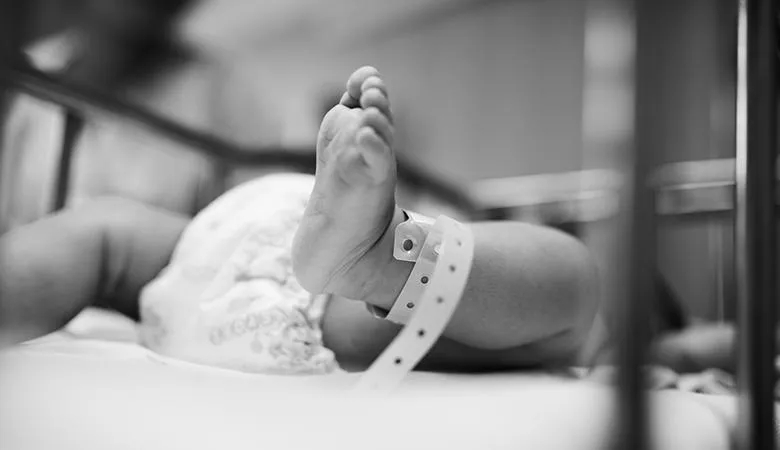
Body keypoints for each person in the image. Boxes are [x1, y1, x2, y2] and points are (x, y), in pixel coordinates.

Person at [0, 66, 599, 373]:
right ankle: (383, 256)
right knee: (575, 285)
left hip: (217, 244)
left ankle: (378, 252)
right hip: (332, 290)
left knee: (104, 234)